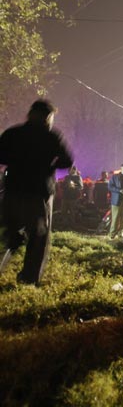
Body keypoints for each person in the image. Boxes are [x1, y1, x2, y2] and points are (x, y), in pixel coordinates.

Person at [0, 99, 73, 284]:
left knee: (10, 234)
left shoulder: (13, 133)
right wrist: (48, 166)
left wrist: (15, 162)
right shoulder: (51, 137)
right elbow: (67, 161)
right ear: (48, 117)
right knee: (38, 237)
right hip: (38, 193)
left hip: (13, 191)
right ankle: (29, 278)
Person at [108, 164, 123, 239]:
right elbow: (110, 187)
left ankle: (120, 234)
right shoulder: (115, 177)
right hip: (116, 201)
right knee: (115, 218)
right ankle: (112, 235)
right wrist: (119, 190)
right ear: (121, 168)